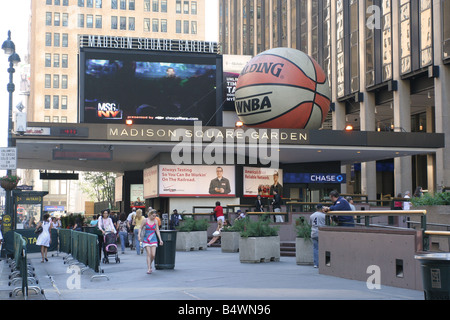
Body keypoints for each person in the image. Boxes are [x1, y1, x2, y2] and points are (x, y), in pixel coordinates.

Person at [138, 209, 163, 274]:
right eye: (153, 216)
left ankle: (150, 264)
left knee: (153, 255)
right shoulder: (145, 220)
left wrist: (160, 239)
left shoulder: (155, 221)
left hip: (153, 239)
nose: (154, 217)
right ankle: (149, 268)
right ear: (150, 215)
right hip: (146, 239)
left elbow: (157, 230)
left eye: (155, 216)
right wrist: (139, 236)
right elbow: (140, 228)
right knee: (149, 254)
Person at [310, 204, 327, 268]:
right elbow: (330, 222)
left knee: (315, 249)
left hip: (314, 232)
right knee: (324, 248)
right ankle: (325, 263)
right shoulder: (324, 215)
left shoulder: (312, 215)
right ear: (322, 208)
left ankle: (316, 263)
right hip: (322, 232)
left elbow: (310, 224)